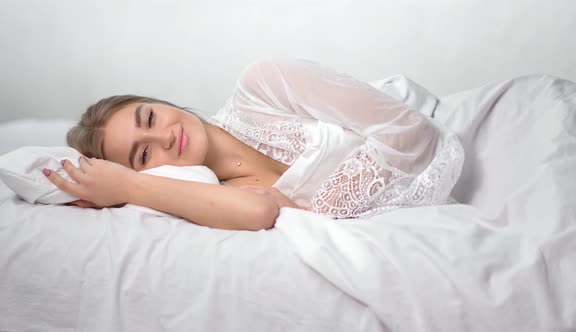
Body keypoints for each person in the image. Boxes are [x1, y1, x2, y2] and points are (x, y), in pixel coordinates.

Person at [44, 60, 464, 230]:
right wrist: (128, 189)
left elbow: (411, 131)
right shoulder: (209, 195)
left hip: (459, 143)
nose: (165, 136)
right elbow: (261, 211)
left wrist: (309, 210)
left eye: (150, 117)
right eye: (144, 154)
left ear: (161, 102)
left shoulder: (262, 87)